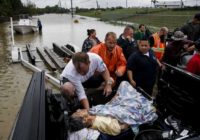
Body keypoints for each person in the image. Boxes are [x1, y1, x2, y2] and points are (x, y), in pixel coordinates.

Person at [68, 81, 157, 136]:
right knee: (138, 103)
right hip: (123, 111)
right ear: (84, 120)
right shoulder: (100, 122)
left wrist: (113, 100)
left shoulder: (91, 114)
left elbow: (106, 108)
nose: (78, 110)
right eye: (77, 113)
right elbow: (120, 127)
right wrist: (129, 121)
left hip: (113, 106)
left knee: (124, 84)